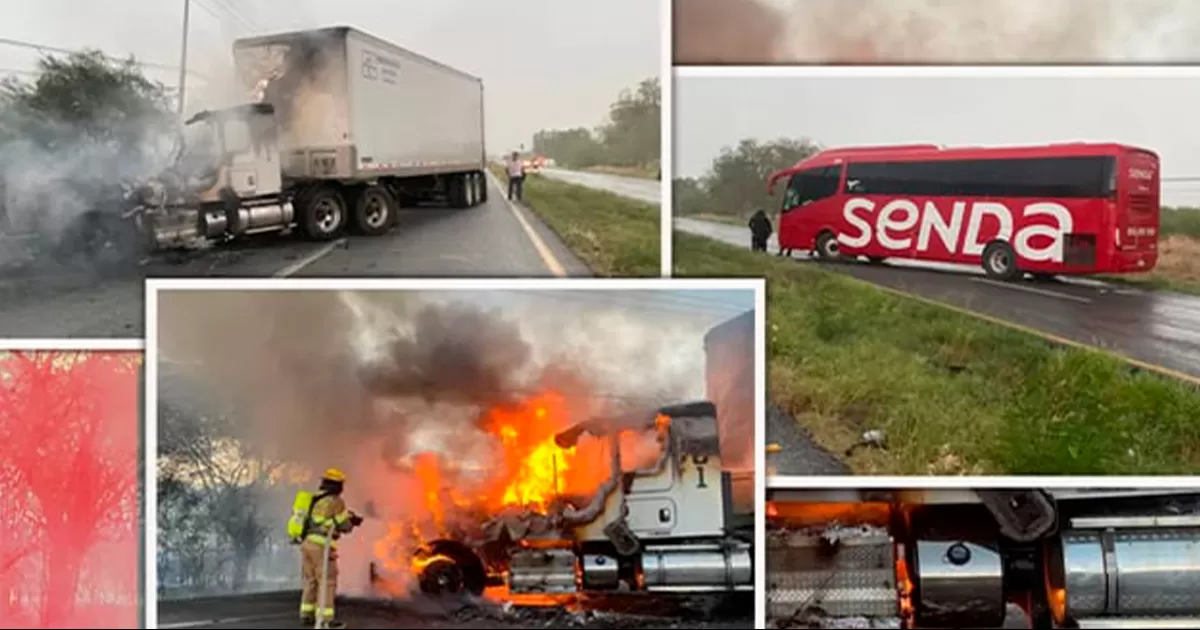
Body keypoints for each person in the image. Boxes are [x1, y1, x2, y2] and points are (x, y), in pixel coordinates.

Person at [298, 468, 363, 628]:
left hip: (307, 543)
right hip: (322, 545)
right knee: (327, 581)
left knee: (310, 579)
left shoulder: (314, 498)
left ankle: (306, 614)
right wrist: (353, 522)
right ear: (337, 485)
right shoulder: (335, 501)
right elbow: (343, 526)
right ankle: (326, 621)